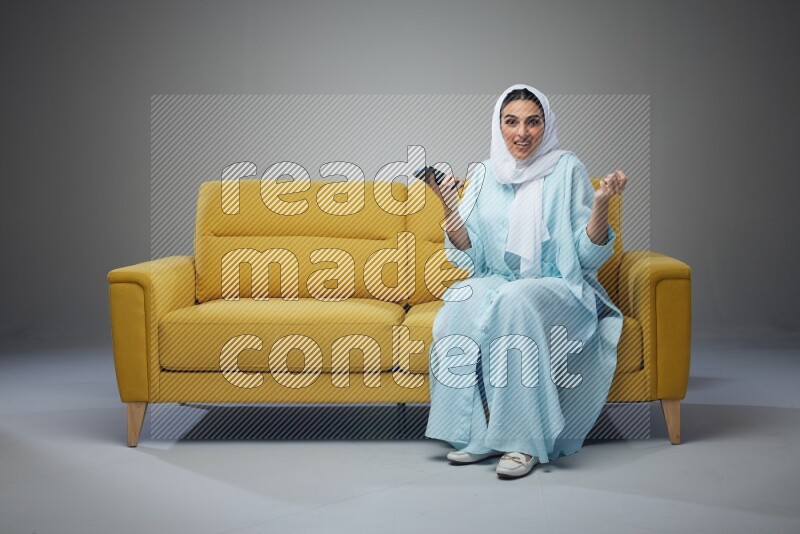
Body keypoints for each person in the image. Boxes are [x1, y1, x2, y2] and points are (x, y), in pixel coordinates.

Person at [422, 84, 628, 479]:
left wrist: (601, 204)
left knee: (514, 300)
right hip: (500, 280)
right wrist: (447, 203)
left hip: (560, 286)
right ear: (499, 125)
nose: (522, 133)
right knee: (461, 301)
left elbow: (586, 258)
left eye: (533, 122)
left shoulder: (568, 168)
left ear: (545, 125)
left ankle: (522, 441)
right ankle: (473, 435)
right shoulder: (484, 173)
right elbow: (472, 256)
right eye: (511, 122)